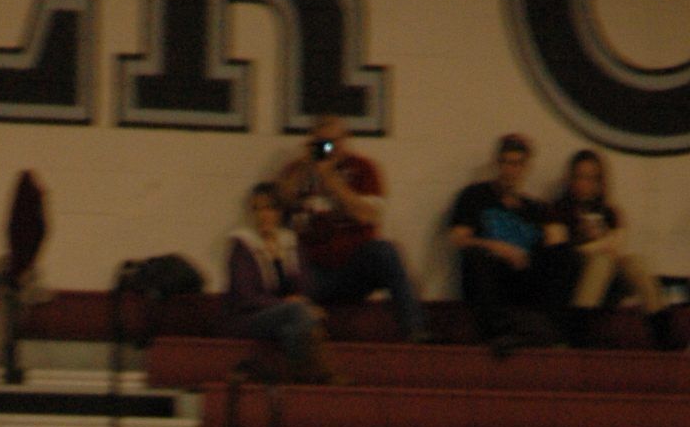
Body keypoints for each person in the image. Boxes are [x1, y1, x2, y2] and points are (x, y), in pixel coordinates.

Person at [277, 115, 425, 343]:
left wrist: (331, 179)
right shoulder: (297, 171)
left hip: (353, 268)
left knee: (385, 251)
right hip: (312, 270)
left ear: (345, 140)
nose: (328, 148)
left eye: (333, 142)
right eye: (321, 142)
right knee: (285, 264)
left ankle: (414, 329)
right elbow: (279, 204)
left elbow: (367, 215)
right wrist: (304, 168)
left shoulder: (363, 169)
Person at [545, 149, 677, 350]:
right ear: (571, 178)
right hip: (572, 277)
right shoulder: (558, 209)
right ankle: (578, 331)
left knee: (635, 262)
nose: (585, 184)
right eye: (580, 177)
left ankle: (662, 331)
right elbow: (558, 250)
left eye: (592, 178)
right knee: (601, 260)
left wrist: (600, 245)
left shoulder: (609, 212)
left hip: (608, 280)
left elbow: (617, 246)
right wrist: (596, 246)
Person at [447, 134, 569, 350]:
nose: (511, 170)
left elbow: (557, 240)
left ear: (526, 167)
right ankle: (501, 330)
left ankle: (552, 327)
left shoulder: (535, 208)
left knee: (563, 254)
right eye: (506, 163)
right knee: (476, 256)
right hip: (491, 274)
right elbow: (458, 238)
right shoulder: (476, 195)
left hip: (524, 279)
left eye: (517, 164)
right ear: (498, 164)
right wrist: (498, 247)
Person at [225, 181, 333, 382]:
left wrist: (282, 260)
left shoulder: (289, 242)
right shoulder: (243, 246)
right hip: (249, 317)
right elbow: (246, 296)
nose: (263, 215)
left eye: (269, 208)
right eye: (257, 209)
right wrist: (287, 304)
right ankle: (322, 375)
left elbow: (305, 286)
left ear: (279, 212)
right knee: (300, 314)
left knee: (293, 328)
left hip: (286, 316)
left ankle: (298, 381)